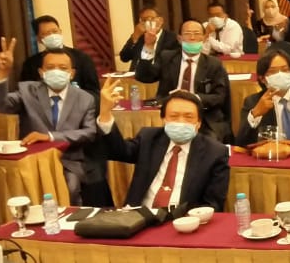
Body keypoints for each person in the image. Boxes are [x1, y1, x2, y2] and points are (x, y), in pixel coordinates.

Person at [0, 41, 97, 203]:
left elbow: (89, 132)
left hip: (68, 161)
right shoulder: (28, 91)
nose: (56, 72)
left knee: (71, 188)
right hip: (31, 160)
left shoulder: (85, 98)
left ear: (72, 73)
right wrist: (3, 73)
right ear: (41, 72)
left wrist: (51, 137)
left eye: (63, 68)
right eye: (50, 67)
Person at [97, 85, 229, 210]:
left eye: (188, 117)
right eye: (174, 116)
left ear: (199, 123)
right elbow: (118, 151)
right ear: (164, 119)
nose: (181, 122)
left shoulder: (215, 152)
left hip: (183, 220)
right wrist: (105, 113)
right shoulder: (149, 138)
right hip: (139, 217)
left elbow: (213, 204)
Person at [135, 19, 231, 142]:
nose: (192, 37)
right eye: (187, 34)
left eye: (197, 34)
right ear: (179, 38)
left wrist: (194, 97)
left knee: (208, 144)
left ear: (204, 38)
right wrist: (148, 46)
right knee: (151, 141)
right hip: (170, 115)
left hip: (203, 117)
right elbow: (144, 77)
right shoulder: (167, 57)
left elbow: (219, 96)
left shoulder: (213, 64)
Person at [236, 47, 290, 148]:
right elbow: (241, 143)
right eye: (273, 71)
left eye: (285, 70)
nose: (280, 75)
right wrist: (256, 114)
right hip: (274, 158)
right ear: (263, 78)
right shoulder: (253, 102)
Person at [18, 15, 100, 95]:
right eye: (46, 33)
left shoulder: (82, 58)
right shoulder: (30, 64)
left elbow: (94, 92)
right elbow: (26, 94)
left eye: (55, 31)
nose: (52, 36)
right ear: (38, 39)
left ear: (60, 32)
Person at [119, 6, 179, 71]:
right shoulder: (139, 37)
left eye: (152, 18)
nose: (148, 22)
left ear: (161, 21)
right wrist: (135, 37)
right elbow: (124, 58)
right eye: (144, 20)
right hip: (135, 76)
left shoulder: (172, 38)